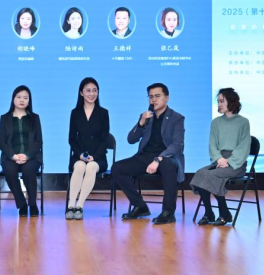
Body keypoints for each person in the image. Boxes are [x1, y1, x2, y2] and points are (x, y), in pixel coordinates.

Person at [113, 82, 185, 225]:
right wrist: (141, 122)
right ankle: (140, 206)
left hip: (167, 157)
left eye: (157, 96)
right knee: (117, 168)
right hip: (146, 157)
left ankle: (168, 212)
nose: (153, 100)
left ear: (167, 98)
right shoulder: (147, 117)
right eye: (151, 97)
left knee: (167, 165)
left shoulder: (177, 118)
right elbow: (131, 139)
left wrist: (159, 159)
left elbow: (177, 145)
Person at [190, 88, 251, 226]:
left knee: (210, 176)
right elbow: (212, 144)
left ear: (231, 101)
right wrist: (219, 159)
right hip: (219, 160)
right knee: (200, 173)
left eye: (222, 101)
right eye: (218, 101)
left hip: (236, 164)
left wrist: (229, 161)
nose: (219, 104)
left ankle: (224, 213)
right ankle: (210, 213)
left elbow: (244, 146)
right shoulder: (216, 122)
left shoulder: (243, 122)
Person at [66, 77, 109, 220]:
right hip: (79, 156)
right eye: (88, 90)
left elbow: (104, 139)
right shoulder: (75, 113)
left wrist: (94, 156)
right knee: (79, 166)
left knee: (90, 167)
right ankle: (70, 205)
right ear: (81, 93)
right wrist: (80, 154)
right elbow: (72, 139)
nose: (92, 94)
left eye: (95, 90)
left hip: (98, 157)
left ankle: (79, 206)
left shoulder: (103, 113)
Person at [0, 85, 43, 216]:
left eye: (25, 98)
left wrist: (27, 155)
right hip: (10, 157)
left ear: (29, 100)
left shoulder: (35, 118)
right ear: (13, 99)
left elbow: (38, 141)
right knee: (9, 172)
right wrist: (13, 156)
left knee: (28, 171)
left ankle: (32, 204)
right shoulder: (4, 118)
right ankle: (22, 204)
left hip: (31, 157)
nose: (22, 100)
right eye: (19, 97)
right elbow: (2, 142)